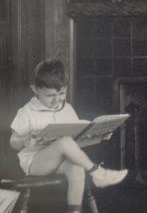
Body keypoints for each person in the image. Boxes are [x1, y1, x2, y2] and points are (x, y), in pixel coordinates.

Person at [9, 59, 128, 213]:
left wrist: (98, 135)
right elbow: (13, 142)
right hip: (35, 163)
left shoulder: (68, 109)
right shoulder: (26, 112)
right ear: (35, 89)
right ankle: (97, 173)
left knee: (77, 168)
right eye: (50, 95)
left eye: (61, 93)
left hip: (60, 161)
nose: (56, 99)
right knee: (64, 141)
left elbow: (76, 142)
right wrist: (24, 140)